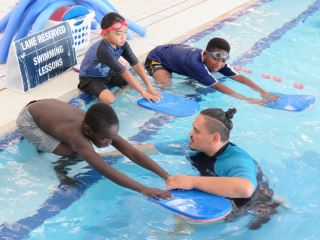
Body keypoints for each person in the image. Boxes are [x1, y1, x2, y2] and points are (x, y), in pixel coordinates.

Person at [16, 99, 171, 200]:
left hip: (43, 106)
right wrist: (143, 189)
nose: (110, 142)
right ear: (88, 131)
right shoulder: (78, 136)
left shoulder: (102, 127)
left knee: (83, 151)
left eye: (112, 138)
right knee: (74, 153)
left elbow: (132, 152)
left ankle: (52, 133)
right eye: (105, 139)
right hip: (28, 121)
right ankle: (59, 170)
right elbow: (104, 168)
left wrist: (166, 176)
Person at [164, 108, 280, 229]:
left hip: (249, 206)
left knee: (182, 210)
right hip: (225, 193)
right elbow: (148, 148)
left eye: (196, 131)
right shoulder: (195, 145)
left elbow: (246, 188)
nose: (190, 133)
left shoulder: (236, 160)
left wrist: (191, 181)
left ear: (214, 138)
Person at [145, 37, 279, 105]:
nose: (219, 64)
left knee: (208, 74)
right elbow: (219, 87)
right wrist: (248, 99)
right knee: (165, 84)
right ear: (206, 53)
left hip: (176, 55)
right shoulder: (195, 64)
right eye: (216, 58)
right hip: (157, 58)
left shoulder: (219, 61)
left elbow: (240, 78)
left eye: (223, 61)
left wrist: (263, 92)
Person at [78, 12, 161, 104]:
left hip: (108, 72)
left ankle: (109, 90)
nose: (123, 37)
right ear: (105, 35)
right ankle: (103, 92)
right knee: (110, 100)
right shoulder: (103, 50)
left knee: (133, 82)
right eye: (118, 34)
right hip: (91, 77)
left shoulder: (123, 44)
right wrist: (143, 92)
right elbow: (124, 72)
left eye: (125, 32)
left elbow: (136, 64)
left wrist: (149, 87)